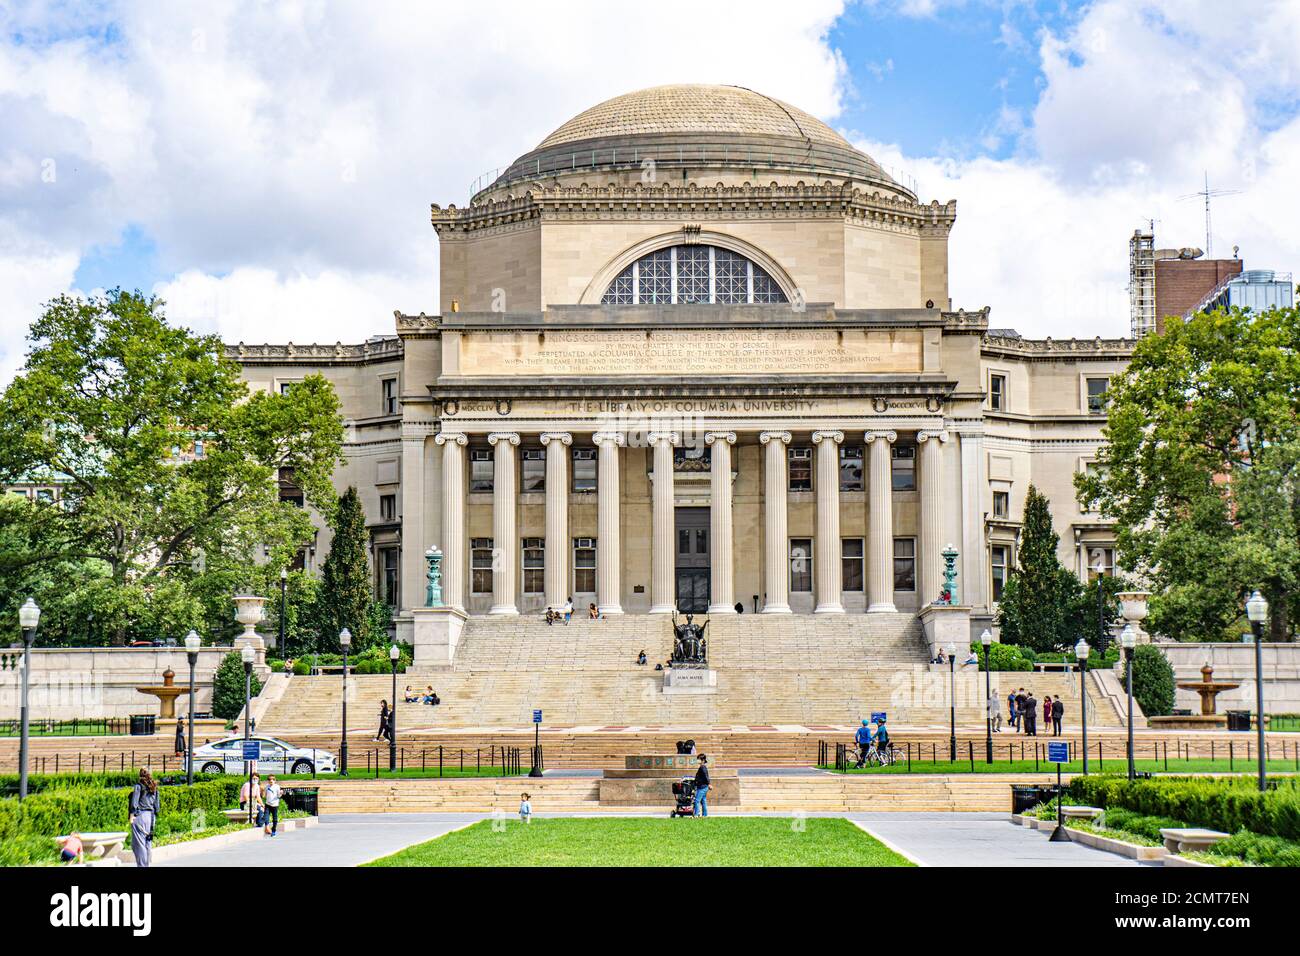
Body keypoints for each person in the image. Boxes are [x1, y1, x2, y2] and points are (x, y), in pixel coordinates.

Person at [129, 768, 160, 868]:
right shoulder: (154, 787)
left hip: (141, 815)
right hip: (151, 817)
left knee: (138, 844)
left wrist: (131, 815)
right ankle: (147, 864)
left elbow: (134, 802)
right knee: (148, 842)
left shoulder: (139, 786)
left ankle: (142, 865)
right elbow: (157, 806)